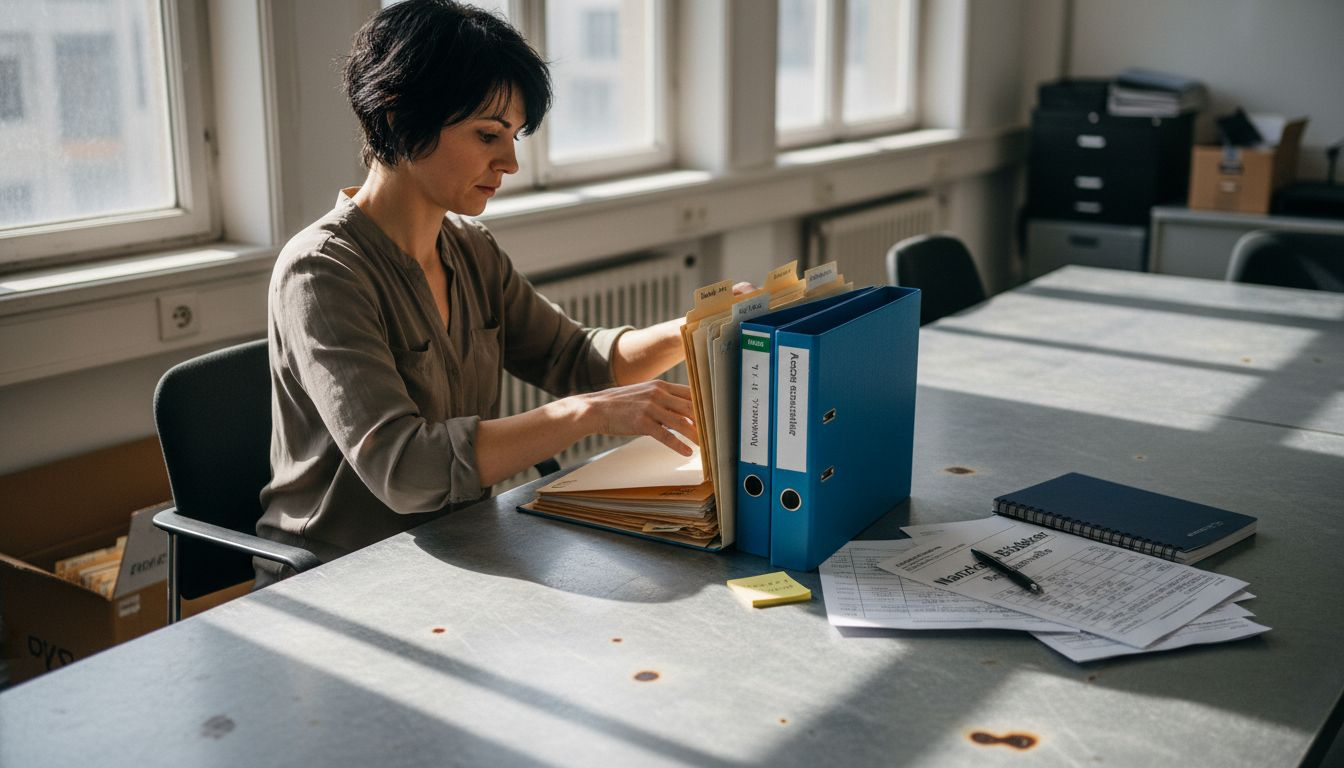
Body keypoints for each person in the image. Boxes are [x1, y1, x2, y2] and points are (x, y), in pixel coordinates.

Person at [256, 0, 710, 585]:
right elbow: (406, 468)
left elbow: (576, 360)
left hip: (460, 550)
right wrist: (583, 414)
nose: (511, 161)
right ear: (398, 118)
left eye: (514, 136)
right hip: (340, 579)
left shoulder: (471, 249)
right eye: (488, 134)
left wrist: (697, 326)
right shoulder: (320, 272)